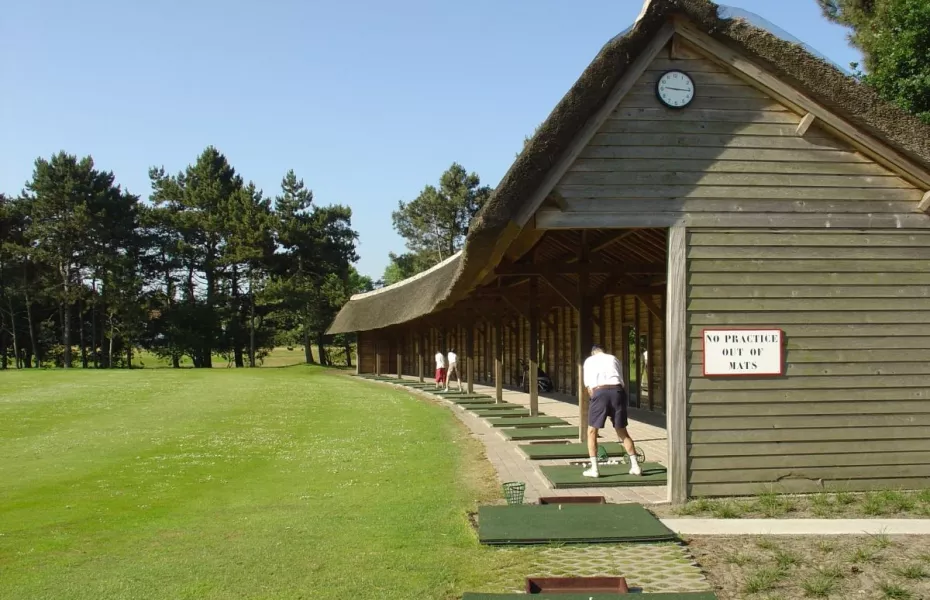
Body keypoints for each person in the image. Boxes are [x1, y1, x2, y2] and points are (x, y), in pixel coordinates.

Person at [582, 344, 642, 478]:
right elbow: (621, 380)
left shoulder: (589, 361)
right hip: (617, 392)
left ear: (593, 353)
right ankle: (635, 466)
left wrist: (597, 400)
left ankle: (594, 469)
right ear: (603, 352)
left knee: (592, 431)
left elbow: (589, 388)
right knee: (622, 430)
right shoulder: (613, 358)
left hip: (600, 391)